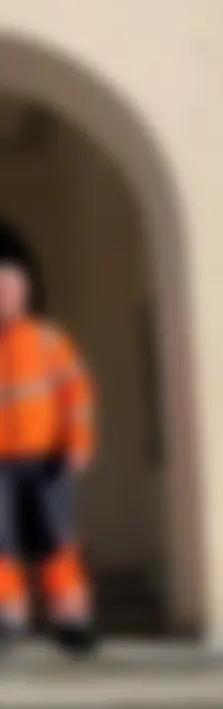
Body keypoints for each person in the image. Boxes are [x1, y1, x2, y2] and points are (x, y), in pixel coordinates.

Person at [0, 259, 97, 655]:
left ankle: (70, 620)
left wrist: (77, 445)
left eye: (8, 291)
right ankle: (9, 618)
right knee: (1, 543)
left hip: (48, 459)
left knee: (58, 540)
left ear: (23, 295)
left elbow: (76, 395)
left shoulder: (46, 340)